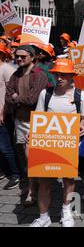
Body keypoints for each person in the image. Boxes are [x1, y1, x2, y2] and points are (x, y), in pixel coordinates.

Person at [30, 59, 84, 227]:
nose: (59, 77)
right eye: (57, 74)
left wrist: (81, 126)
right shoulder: (45, 94)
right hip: (48, 145)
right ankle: (43, 217)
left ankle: (66, 212)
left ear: (71, 76)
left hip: (70, 145)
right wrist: (32, 134)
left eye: (63, 74)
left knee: (69, 180)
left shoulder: (80, 95)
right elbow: (39, 119)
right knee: (45, 182)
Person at [5, 44, 48, 205]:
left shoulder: (40, 75)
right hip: (20, 120)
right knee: (24, 156)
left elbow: (33, 99)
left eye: (23, 56)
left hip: (36, 122)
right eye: (17, 56)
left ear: (32, 57)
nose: (19, 59)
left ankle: (33, 190)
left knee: (33, 157)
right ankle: (31, 184)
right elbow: (8, 97)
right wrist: (17, 98)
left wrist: (17, 98)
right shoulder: (16, 74)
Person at [0, 44, 20, 190]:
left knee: (5, 146)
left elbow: (10, 92)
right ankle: (5, 171)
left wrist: (3, 111)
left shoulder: (7, 69)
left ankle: (15, 174)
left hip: (4, 114)